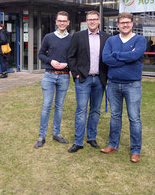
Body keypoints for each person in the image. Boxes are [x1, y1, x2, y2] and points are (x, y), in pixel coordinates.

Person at [101, 12, 146, 163]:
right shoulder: (111, 40)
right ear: (118, 25)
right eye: (122, 22)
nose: (125, 25)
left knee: (134, 118)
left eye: (127, 22)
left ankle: (135, 150)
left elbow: (135, 56)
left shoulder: (140, 40)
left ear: (133, 23)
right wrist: (127, 56)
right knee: (115, 116)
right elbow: (106, 59)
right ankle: (113, 144)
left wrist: (117, 55)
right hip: (113, 84)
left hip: (132, 84)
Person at [67, 10, 110, 153]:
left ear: (99, 21)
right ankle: (78, 141)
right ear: (86, 21)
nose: (92, 21)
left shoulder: (106, 37)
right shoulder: (78, 36)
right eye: (89, 19)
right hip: (83, 79)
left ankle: (92, 137)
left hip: (99, 79)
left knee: (95, 110)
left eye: (95, 19)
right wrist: (76, 74)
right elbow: (71, 56)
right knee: (81, 110)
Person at [34, 11, 72, 148]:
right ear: (56, 22)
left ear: (68, 23)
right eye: (60, 20)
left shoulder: (72, 39)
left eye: (64, 21)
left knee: (59, 107)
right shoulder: (48, 37)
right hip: (49, 75)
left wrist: (67, 64)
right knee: (46, 106)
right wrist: (51, 61)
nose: (62, 23)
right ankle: (41, 136)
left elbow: (74, 57)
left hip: (64, 76)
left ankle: (57, 134)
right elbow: (41, 54)